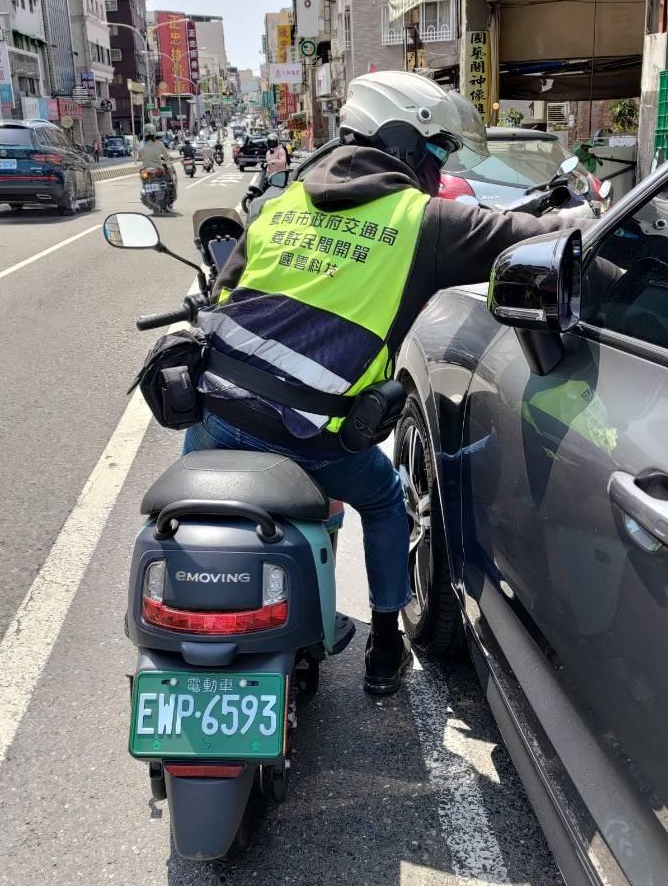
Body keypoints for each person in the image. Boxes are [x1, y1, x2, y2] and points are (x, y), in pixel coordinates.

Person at [184, 71, 568, 696]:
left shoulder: (281, 205)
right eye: (437, 151)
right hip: (314, 437)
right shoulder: (423, 220)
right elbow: (544, 238)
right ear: (404, 144)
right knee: (388, 501)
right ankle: (386, 643)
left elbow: (222, 293)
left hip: (219, 413)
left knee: (194, 499)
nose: (441, 168)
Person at [139, 122, 177, 191]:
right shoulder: (159, 143)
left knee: (142, 174)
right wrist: (168, 162)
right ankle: (169, 190)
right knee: (167, 177)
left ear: (144, 133)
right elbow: (166, 156)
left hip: (146, 169)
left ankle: (144, 187)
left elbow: (139, 157)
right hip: (158, 168)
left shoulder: (141, 144)